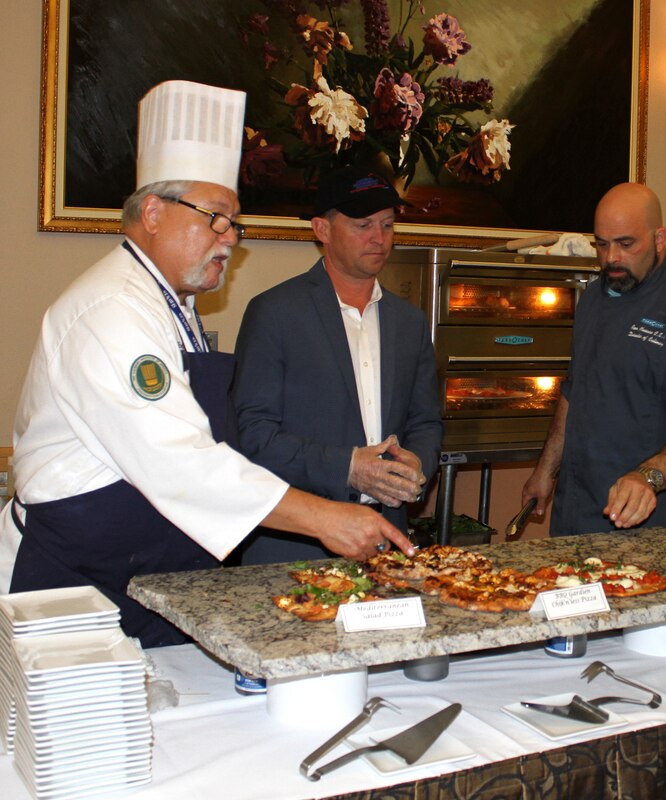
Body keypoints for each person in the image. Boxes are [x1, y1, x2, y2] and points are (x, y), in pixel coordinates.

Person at [0, 81, 412, 647]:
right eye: (215, 218)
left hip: (148, 570)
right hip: (76, 580)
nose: (229, 240)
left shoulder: (175, 305)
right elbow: (179, 461)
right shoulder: (112, 310)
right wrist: (325, 518)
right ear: (151, 212)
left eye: (234, 224)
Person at [231, 168, 443, 564]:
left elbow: (426, 422)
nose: (378, 238)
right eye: (363, 225)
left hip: (385, 539)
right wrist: (346, 467)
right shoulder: (275, 313)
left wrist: (418, 463)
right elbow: (252, 435)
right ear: (322, 230)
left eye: (387, 225)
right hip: (295, 544)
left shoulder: (409, 322)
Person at [522, 183, 666, 538]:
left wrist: (647, 477)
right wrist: (545, 470)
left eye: (626, 244)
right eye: (602, 245)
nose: (612, 259)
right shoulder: (594, 298)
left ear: (659, 238)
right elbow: (574, 391)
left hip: (654, 526)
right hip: (578, 513)